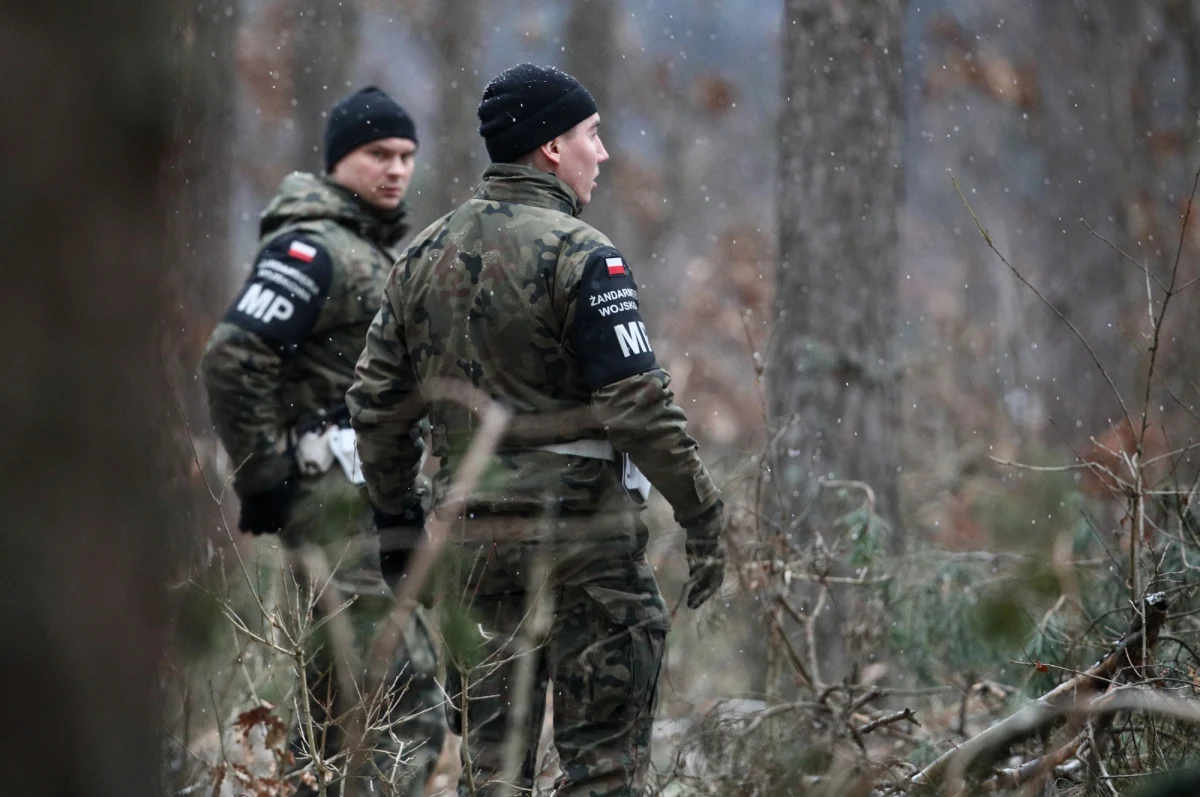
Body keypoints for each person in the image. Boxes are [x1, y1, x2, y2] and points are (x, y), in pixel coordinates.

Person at [347, 63, 728, 797]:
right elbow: (639, 405)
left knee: (491, 775)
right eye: (592, 135)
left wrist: (398, 525)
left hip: (474, 551)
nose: (603, 152)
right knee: (603, 771)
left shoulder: (419, 259)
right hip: (585, 548)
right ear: (552, 147)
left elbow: (376, 410)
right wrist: (704, 512)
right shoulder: (584, 257)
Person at [200, 86, 443, 797]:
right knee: (405, 704)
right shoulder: (313, 247)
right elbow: (232, 354)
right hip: (334, 508)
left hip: (367, 508)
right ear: (340, 159)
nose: (396, 169)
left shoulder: (367, 248)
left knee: (340, 725)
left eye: (406, 155)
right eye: (377, 154)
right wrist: (264, 477)